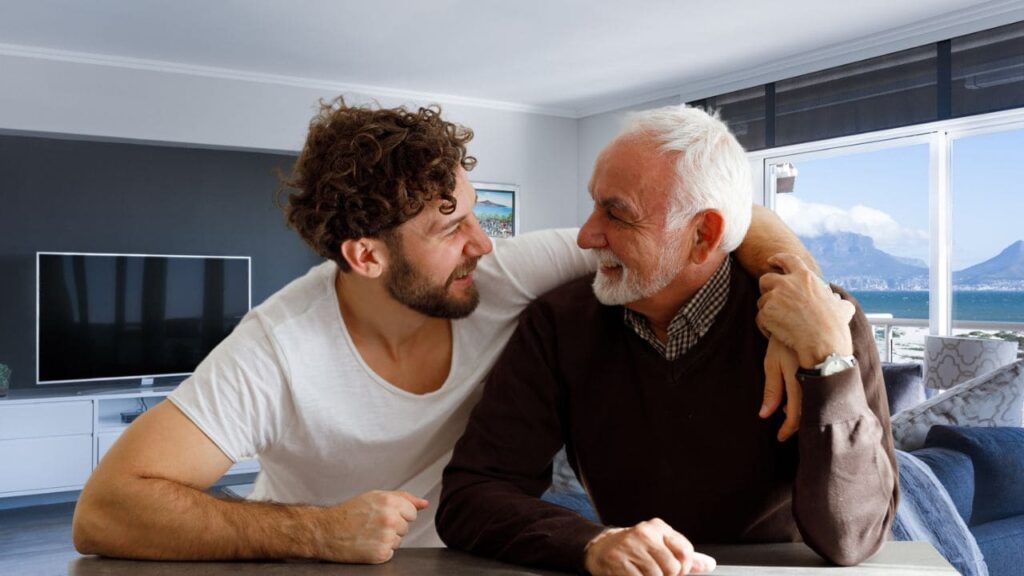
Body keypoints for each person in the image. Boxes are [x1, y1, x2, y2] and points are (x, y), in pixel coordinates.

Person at [72, 98, 817, 564]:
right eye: (451, 225)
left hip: (482, 554)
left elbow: (726, 221)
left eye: (477, 213)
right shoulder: (277, 349)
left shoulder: (498, 275)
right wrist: (314, 534)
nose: (485, 243)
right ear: (366, 256)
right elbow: (106, 506)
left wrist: (794, 304)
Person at [436, 104, 898, 575]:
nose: (586, 235)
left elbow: (851, 540)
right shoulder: (559, 324)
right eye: (594, 203)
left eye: (617, 214)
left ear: (704, 234)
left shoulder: (825, 321)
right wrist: (593, 542)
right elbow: (471, 496)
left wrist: (828, 363)